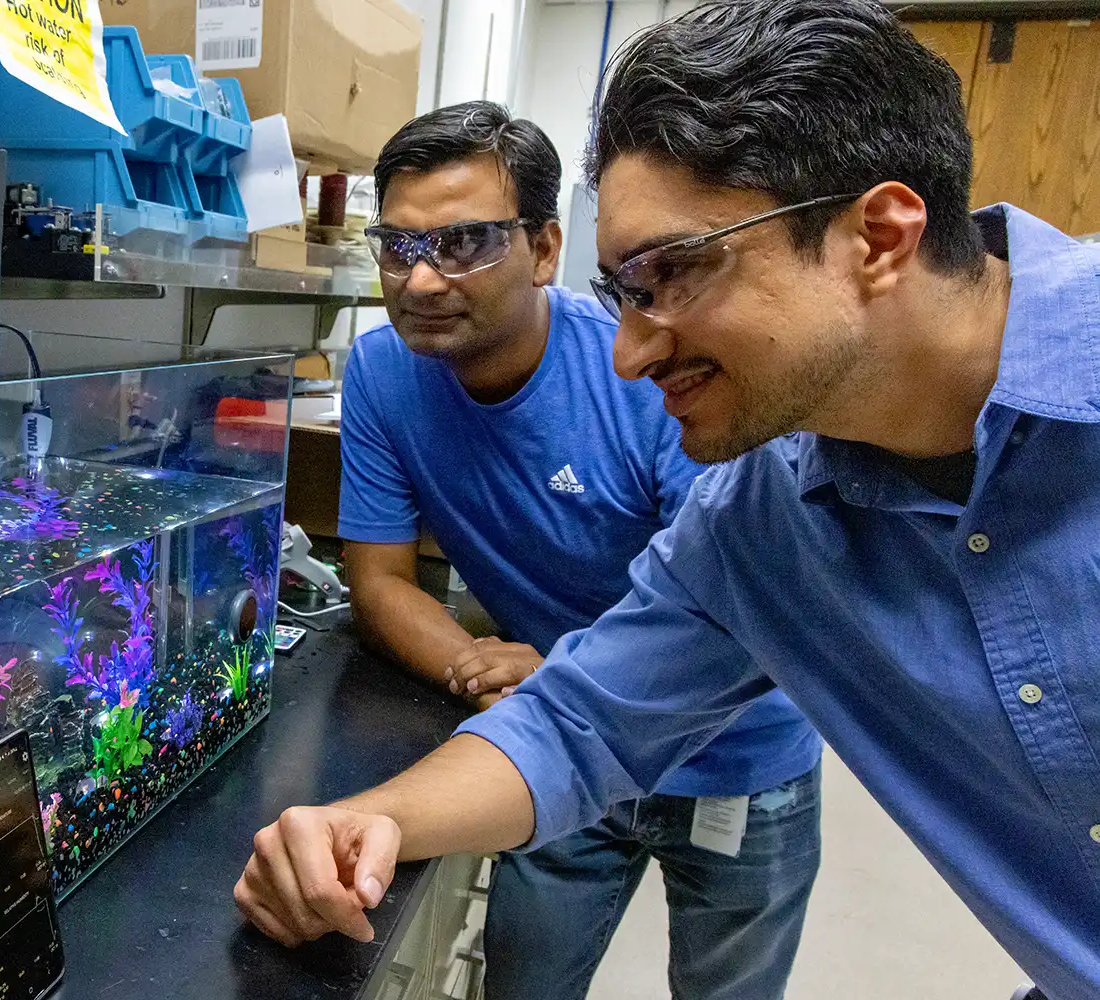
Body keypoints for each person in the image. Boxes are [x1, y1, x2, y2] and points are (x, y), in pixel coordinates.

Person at [232, 2, 1100, 998]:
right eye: (625, 289)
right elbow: (583, 720)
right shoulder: (763, 514)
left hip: (744, 773)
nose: (630, 353)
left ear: (879, 235)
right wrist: (370, 820)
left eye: (673, 274)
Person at [338, 101, 822, 1000]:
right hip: (552, 739)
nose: (422, 281)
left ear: (547, 249)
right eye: (398, 248)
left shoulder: (651, 378)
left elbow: (730, 611)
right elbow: (379, 582)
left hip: (735, 758)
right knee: (521, 976)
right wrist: (474, 665)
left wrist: (555, 670)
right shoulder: (379, 374)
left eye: (465, 243)